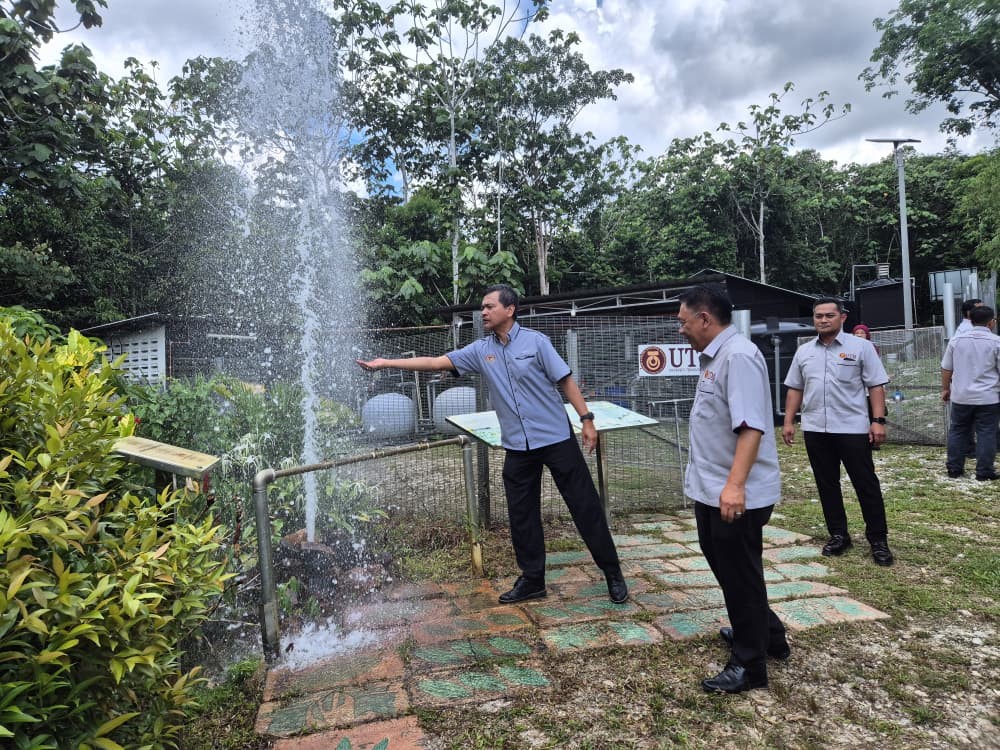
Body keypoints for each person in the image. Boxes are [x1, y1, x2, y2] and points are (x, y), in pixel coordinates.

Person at [356, 284, 628, 605]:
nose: (483, 312)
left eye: (489, 306)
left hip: (556, 438)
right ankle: (532, 580)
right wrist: (386, 363)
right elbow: (435, 362)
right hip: (517, 447)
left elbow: (565, 380)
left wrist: (586, 419)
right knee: (521, 515)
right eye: (482, 307)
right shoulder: (480, 350)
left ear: (509, 310)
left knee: (584, 506)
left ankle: (612, 573)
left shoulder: (536, 343)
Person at [677, 284, 787, 694]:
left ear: (705, 319)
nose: (681, 330)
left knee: (739, 574)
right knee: (731, 569)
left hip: (735, 492)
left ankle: (750, 665)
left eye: (684, 322)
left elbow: (751, 427)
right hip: (712, 488)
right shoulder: (716, 357)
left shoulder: (738, 357)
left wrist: (736, 486)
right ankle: (767, 634)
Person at [783, 297, 894, 567]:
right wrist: (788, 421)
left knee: (865, 484)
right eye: (818, 316)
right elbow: (795, 387)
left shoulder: (861, 347)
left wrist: (878, 420)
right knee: (827, 484)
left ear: (842, 318)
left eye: (829, 315)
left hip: (852, 428)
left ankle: (878, 540)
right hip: (815, 428)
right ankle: (839, 535)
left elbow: (876, 385)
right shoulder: (804, 351)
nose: (823, 320)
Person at [941, 305, 1000, 481]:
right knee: (986, 433)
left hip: (961, 396)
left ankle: (954, 468)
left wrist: (946, 388)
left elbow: (946, 368)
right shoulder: (996, 342)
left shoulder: (956, 340)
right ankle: (984, 471)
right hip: (988, 397)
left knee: (958, 431)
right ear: (991, 322)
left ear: (971, 320)